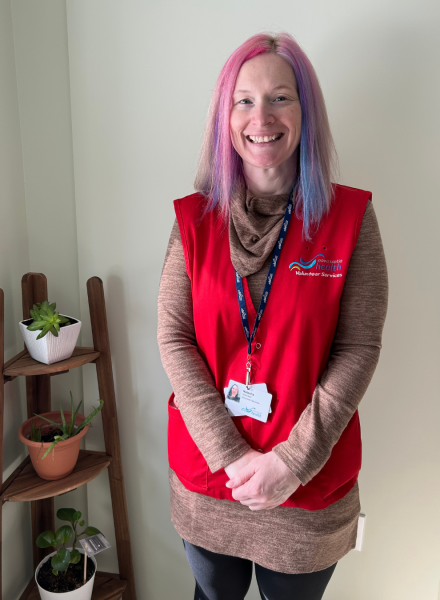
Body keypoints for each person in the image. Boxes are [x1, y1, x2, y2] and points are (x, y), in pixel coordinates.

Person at [157, 31, 388, 600]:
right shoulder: (194, 221)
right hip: (214, 482)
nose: (261, 115)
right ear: (225, 116)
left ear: (306, 112)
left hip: (305, 490)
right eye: (244, 100)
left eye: (280, 97)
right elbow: (174, 336)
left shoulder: (350, 220)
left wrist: (290, 463)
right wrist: (232, 456)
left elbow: (358, 347)